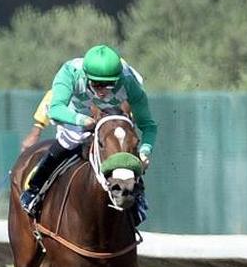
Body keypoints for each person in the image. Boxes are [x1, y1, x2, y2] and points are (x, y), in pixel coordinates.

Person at [18, 44, 156, 225]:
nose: (102, 90)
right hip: (76, 113)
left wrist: (145, 151)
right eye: (97, 84)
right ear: (86, 76)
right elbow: (56, 108)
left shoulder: (129, 81)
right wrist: (83, 121)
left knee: (126, 150)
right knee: (70, 141)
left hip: (113, 114)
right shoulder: (70, 72)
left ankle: (137, 197)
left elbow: (148, 125)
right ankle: (35, 189)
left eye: (109, 84)